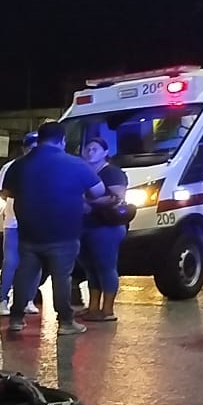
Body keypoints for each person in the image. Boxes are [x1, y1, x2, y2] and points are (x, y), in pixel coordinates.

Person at [0, 122, 106, 335]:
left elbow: (8, 192)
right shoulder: (75, 164)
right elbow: (98, 191)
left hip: (29, 233)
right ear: (62, 140)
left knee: (24, 275)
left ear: (39, 139)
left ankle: (16, 319)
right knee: (61, 278)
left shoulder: (19, 165)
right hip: (64, 234)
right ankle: (66, 322)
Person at [78, 138, 129, 322]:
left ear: (105, 152)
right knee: (91, 268)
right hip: (85, 226)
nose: (90, 151)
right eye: (88, 148)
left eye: (95, 148)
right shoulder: (82, 172)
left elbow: (117, 197)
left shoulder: (112, 173)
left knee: (106, 267)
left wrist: (88, 202)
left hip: (106, 227)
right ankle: (93, 307)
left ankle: (107, 310)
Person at [0, 132, 42, 317]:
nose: (34, 151)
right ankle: (3, 300)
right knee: (11, 262)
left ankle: (28, 300)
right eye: (31, 147)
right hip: (14, 222)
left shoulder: (44, 166)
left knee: (35, 263)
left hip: (38, 222)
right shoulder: (11, 166)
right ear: (24, 148)